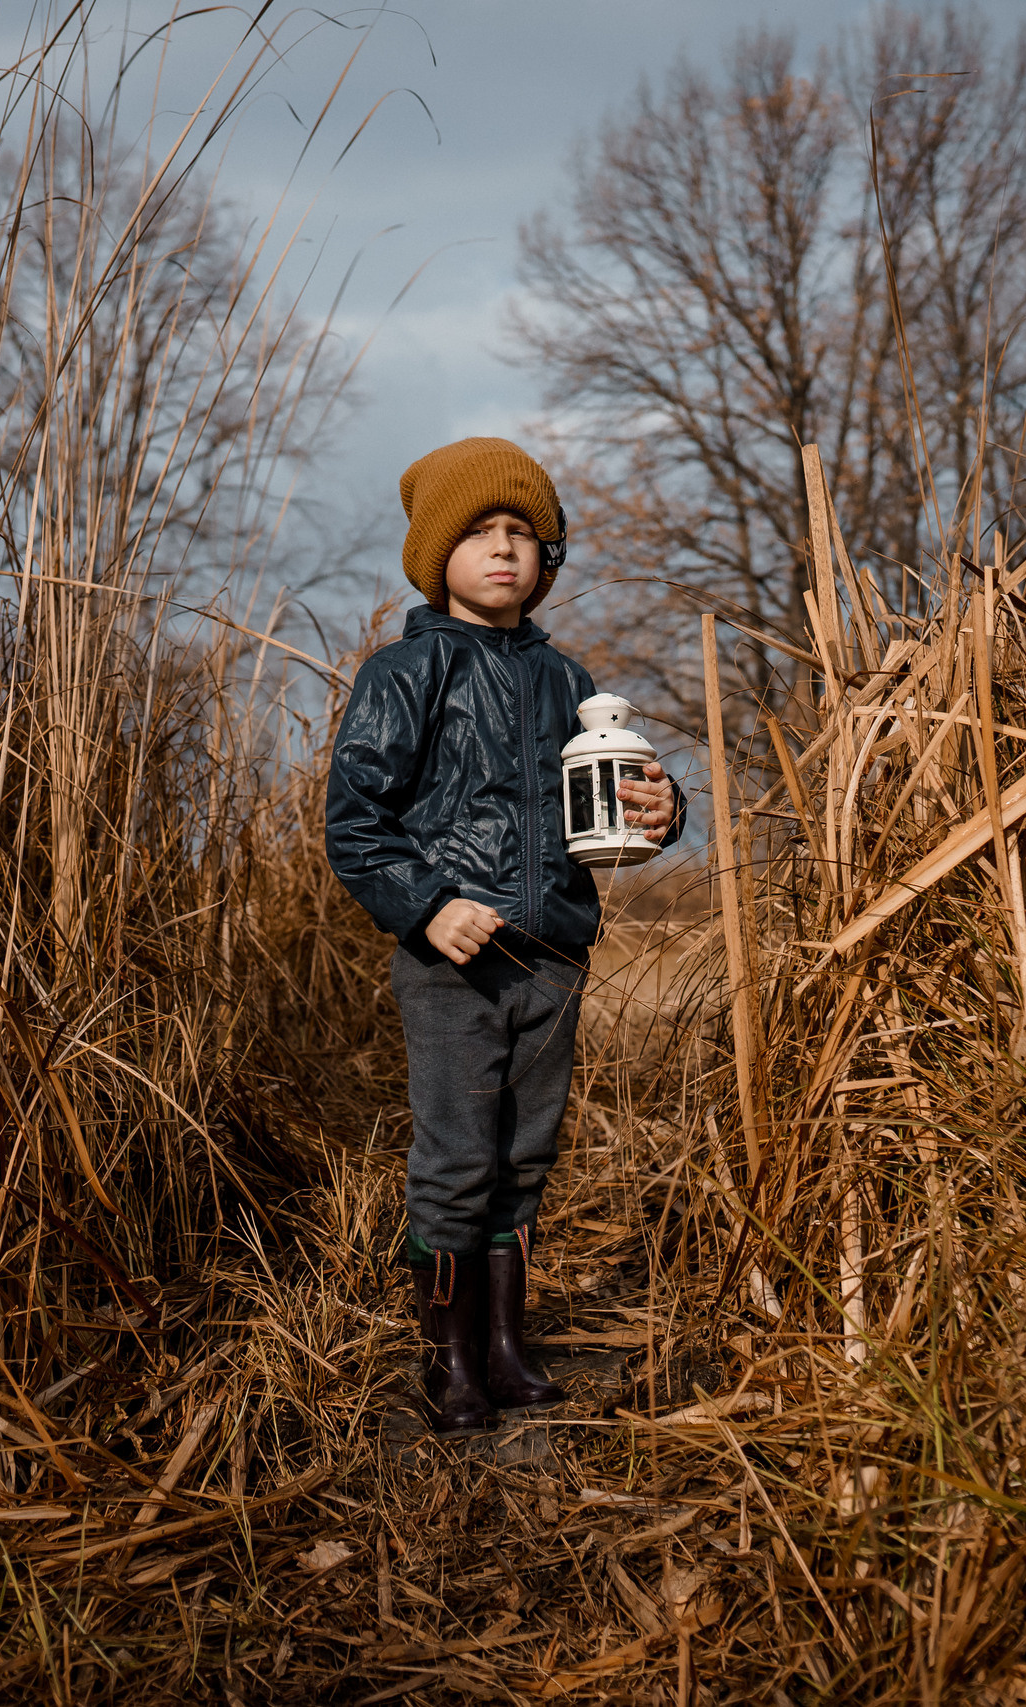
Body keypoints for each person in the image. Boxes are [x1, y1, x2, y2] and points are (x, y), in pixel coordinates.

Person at [325, 437, 684, 1435]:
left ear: (546, 558)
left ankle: (503, 1346)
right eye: (478, 533)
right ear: (436, 554)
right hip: (455, 965)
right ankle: (448, 1363)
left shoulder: (569, 679)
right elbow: (355, 824)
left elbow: (608, 801)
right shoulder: (406, 672)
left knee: (525, 1158)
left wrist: (664, 809)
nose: (501, 550)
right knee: (457, 1159)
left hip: (554, 956)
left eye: (521, 534)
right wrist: (428, 903)